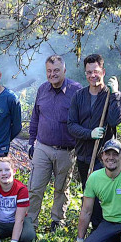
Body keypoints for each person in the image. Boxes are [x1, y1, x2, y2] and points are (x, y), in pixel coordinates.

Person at [68, 53, 121, 229]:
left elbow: (115, 120)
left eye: (96, 71)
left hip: (104, 156)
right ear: (85, 74)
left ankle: (110, 227)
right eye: (89, 72)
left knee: (106, 193)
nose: (93, 75)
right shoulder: (79, 96)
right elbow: (71, 125)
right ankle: (96, 228)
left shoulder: (111, 96)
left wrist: (115, 93)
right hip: (85, 154)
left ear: (103, 72)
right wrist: (89, 133)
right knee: (90, 193)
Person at [27, 55, 81, 231]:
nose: (52, 74)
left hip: (67, 150)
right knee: (34, 187)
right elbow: (35, 117)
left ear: (64, 70)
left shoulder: (76, 91)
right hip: (43, 147)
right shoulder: (42, 90)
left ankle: (57, 222)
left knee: (61, 188)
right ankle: (30, 223)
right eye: (49, 71)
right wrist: (30, 143)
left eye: (56, 70)